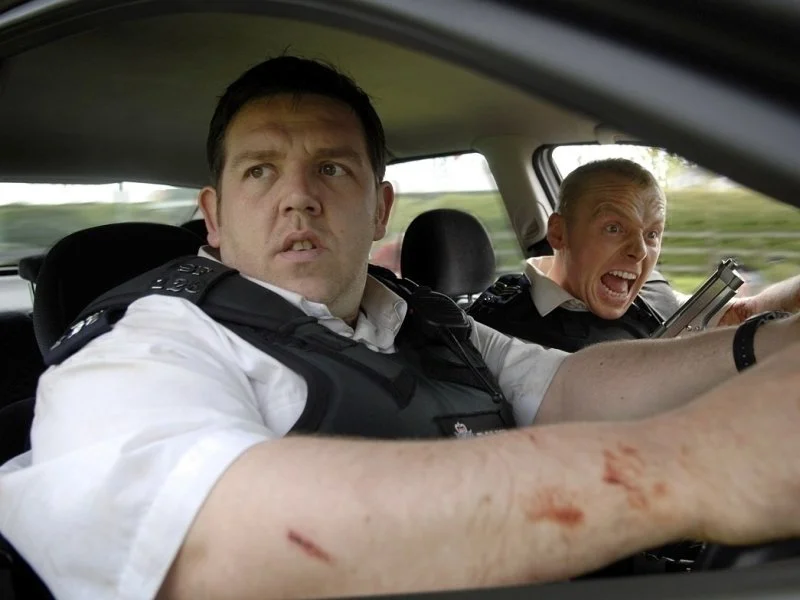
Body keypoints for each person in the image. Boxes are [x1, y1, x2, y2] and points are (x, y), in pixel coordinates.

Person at [0, 56, 798, 600]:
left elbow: (567, 386)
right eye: (260, 170)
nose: (298, 196)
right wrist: (689, 469)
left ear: (380, 207)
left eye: (331, 168)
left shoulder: (426, 319)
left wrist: (767, 345)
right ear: (213, 215)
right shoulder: (139, 353)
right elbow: (205, 542)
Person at [468, 159, 800, 351]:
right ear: (558, 233)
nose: (640, 251)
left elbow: (742, 313)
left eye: (652, 234)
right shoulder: (499, 328)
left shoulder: (652, 291)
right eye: (614, 228)